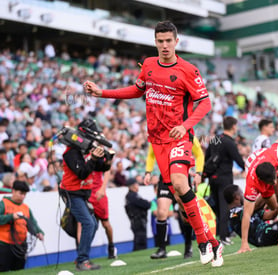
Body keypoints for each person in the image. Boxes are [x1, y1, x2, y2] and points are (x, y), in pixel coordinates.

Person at [84, 21, 223, 267]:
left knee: (181, 183)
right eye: (160, 41)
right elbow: (137, 90)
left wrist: (186, 125)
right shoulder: (148, 65)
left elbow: (205, 103)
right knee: (180, 198)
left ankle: (202, 242)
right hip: (157, 142)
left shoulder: (188, 70)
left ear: (176, 41)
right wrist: (102, 93)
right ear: (155, 42)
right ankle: (213, 242)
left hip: (179, 137)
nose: (165, 45)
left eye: (169, 40)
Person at [59, 119, 111, 271]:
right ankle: (83, 260)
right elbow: (82, 173)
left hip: (81, 193)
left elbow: (99, 168)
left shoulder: (84, 150)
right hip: (72, 192)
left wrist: (106, 160)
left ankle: (82, 258)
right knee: (88, 223)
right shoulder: (71, 152)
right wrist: (94, 158)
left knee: (93, 224)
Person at [146, 136, 204, 259]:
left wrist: (199, 173)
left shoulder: (185, 133)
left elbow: (199, 154)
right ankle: (162, 249)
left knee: (185, 214)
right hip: (165, 178)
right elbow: (151, 154)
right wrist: (148, 172)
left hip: (181, 176)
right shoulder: (159, 134)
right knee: (161, 212)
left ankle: (188, 246)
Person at [205, 116, 244, 245]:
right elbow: (238, 159)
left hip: (212, 178)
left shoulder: (215, 139)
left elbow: (207, 158)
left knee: (217, 207)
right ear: (233, 126)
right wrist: (246, 169)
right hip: (224, 178)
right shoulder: (229, 142)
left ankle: (221, 234)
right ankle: (223, 237)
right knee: (224, 207)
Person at [0, 180, 44, 272]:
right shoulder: (3, 203)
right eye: (20, 193)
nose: (23, 196)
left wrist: (39, 232)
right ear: (13, 191)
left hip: (20, 246)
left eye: (24, 194)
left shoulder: (26, 208)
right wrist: (10, 217)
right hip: (4, 245)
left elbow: (32, 223)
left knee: (19, 271)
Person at [88, 170, 117, 259]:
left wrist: (103, 188)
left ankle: (111, 246)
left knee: (105, 223)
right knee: (89, 225)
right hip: (87, 195)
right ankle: (83, 253)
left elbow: (107, 170)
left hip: (99, 195)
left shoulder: (99, 156)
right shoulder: (80, 157)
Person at [125, 178, 151, 251]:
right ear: (132, 186)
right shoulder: (132, 196)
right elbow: (146, 204)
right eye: (136, 184)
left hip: (138, 221)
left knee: (140, 239)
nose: (138, 186)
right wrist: (147, 203)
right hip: (138, 221)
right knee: (140, 241)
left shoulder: (132, 195)